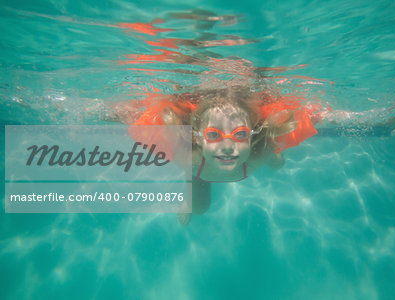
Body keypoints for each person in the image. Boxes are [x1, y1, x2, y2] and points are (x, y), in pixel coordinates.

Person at [109, 85, 325, 225]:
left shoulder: (259, 152)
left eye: (240, 134)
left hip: (250, 156)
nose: (228, 146)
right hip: (199, 171)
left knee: (275, 158)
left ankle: (270, 152)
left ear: (251, 135)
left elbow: (286, 130)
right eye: (214, 134)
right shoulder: (188, 157)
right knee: (200, 208)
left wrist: (316, 116)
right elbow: (148, 128)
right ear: (198, 138)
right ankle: (189, 201)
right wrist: (122, 114)